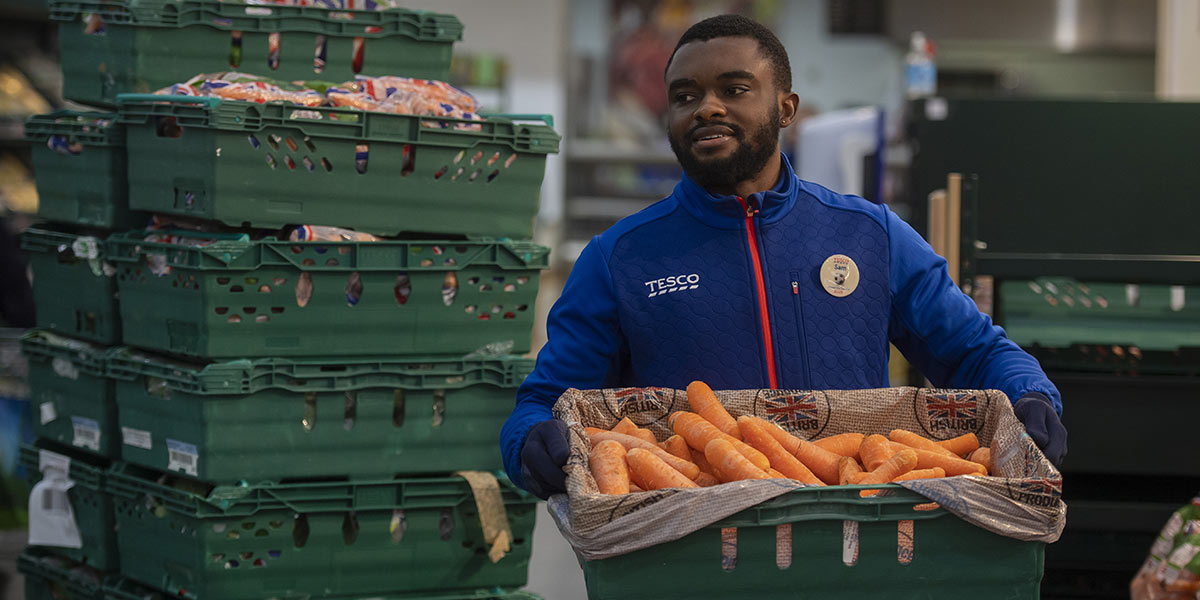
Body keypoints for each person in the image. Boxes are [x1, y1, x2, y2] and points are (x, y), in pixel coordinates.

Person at [501, 14, 1067, 500]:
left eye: (734, 89)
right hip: (689, 539)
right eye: (685, 96)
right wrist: (530, 442)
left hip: (854, 527)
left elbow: (974, 351)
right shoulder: (618, 259)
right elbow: (547, 399)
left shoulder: (871, 236)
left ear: (786, 107)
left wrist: (1030, 396)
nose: (706, 108)